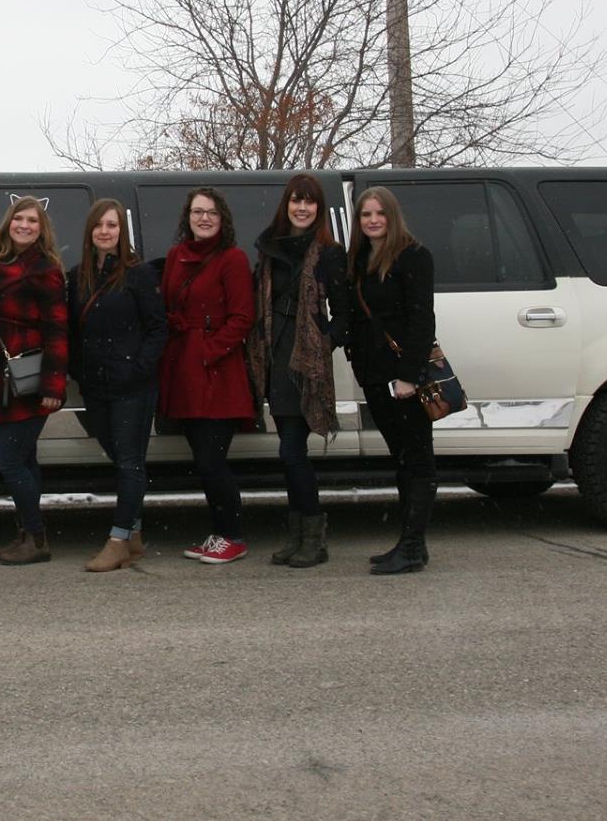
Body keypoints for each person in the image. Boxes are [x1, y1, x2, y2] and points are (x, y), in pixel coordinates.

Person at [247, 173, 353, 569]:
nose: (302, 208)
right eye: (296, 200)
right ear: (286, 205)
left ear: (319, 208)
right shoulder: (270, 248)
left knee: (292, 450)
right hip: (274, 357)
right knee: (289, 451)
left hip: (305, 363)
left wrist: (322, 346)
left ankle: (313, 536)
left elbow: (344, 314)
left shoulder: (329, 253)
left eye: (309, 201)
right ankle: (297, 536)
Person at [158, 188, 257, 565]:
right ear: (188, 217)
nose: (204, 218)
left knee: (212, 461)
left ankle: (233, 537)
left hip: (217, 372)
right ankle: (218, 534)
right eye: (197, 212)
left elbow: (243, 317)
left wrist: (208, 351)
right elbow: (168, 303)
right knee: (201, 459)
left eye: (211, 213)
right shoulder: (175, 256)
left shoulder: (233, 258)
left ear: (222, 218)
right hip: (182, 367)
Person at [67, 199, 166, 573]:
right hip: (95, 386)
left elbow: (158, 328)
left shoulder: (138, 274)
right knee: (122, 458)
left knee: (128, 461)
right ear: (89, 231)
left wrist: (136, 369)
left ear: (121, 232)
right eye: (99, 225)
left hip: (133, 387)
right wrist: (79, 371)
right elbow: (72, 332)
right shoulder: (77, 276)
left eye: (112, 225)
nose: (105, 231)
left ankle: (119, 539)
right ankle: (135, 532)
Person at [0, 196, 70, 566]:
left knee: (9, 460)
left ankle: (37, 537)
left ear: (42, 230)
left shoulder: (46, 270)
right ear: (8, 223)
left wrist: (53, 386)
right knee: (25, 460)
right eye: (19, 218)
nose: (24, 225)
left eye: (32, 221)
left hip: (26, 377)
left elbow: (57, 331)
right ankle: (27, 535)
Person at [346, 185, 439, 575]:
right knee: (401, 458)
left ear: (392, 215)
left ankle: (412, 546)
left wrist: (408, 377)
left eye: (379, 213)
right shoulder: (360, 259)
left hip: (403, 378)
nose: (373, 220)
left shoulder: (414, 256)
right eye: (366, 214)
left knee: (418, 459)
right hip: (374, 375)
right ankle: (411, 543)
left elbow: (422, 321)